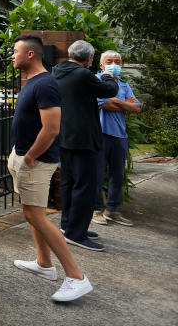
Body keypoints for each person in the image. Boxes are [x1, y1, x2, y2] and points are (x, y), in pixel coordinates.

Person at [9, 34, 92, 302]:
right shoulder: (33, 81)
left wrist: (31, 156)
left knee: (36, 216)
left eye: (15, 51)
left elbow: (52, 128)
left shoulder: (45, 84)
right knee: (33, 213)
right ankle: (44, 264)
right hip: (22, 155)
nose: (12, 55)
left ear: (30, 54)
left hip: (36, 161)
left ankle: (76, 277)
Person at [52, 40, 119, 251]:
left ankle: (68, 225)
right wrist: (109, 75)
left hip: (65, 137)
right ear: (89, 59)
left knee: (69, 183)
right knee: (85, 186)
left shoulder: (57, 71)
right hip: (84, 139)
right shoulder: (82, 74)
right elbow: (108, 90)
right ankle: (76, 233)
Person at [93, 50, 141, 226]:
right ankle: (95, 210)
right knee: (97, 173)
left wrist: (116, 101)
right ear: (101, 65)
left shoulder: (124, 84)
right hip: (101, 133)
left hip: (120, 135)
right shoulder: (96, 81)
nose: (114, 64)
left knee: (117, 175)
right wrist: (125, 104)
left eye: (117, 61)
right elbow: (103, 104)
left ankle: (111, 210)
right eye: (110, 61)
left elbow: (137, 108)